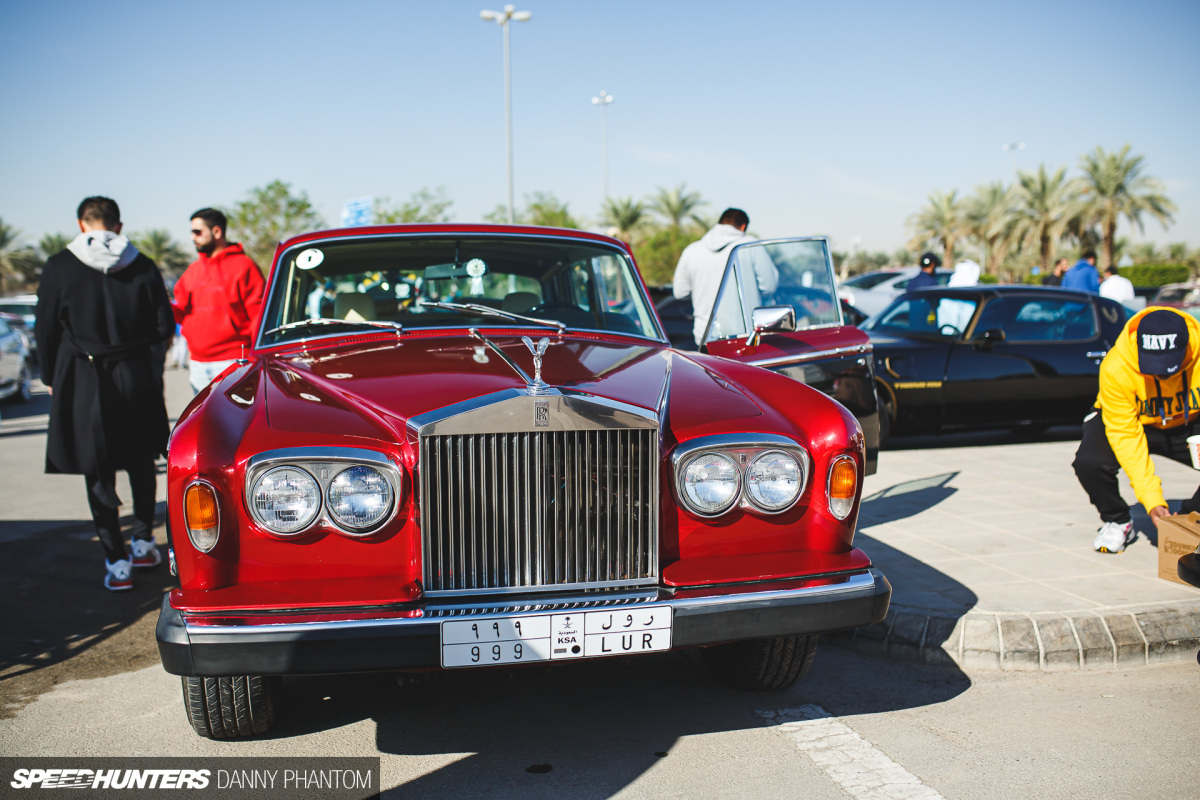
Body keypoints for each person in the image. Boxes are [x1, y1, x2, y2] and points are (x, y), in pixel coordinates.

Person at [35, 197, 174, 591]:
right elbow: (164, 324)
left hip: (83, 376)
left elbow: (45, 328)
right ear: (117, 225)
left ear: (82, 225)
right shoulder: (142, 263)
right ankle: (145, 541)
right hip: (135, 373)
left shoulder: (60, 265)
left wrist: (50, 375)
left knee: (97, 466)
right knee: (141, 459)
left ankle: (116, 561)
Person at [1072, 307, 1200, 553]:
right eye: (1153, 365)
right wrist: (1151, 500)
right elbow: (1125, 435)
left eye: (1169, 366)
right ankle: (1117, 520)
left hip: (1188, 421)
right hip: (1134, 421)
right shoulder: (1117, 366)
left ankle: (1189, 519)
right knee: (1090, 462)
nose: (1161, 374)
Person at [174, 208, 265, 393]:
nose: (193, 237)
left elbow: (259, 315)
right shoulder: (192, 270)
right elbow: (181, 313)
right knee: (203, 422)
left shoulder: (245, 266)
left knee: (236, 421)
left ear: (217, 232)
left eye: (198, 232)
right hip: (197, 364)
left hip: (233, 362)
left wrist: (256, 357)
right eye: (192, 232)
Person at [672, 208, 774, 346]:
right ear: (743, 227)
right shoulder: (750, 245)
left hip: (705, 338)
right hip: (745, 338)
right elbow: (769, 286)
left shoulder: (692, 250)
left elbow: (680, 293)